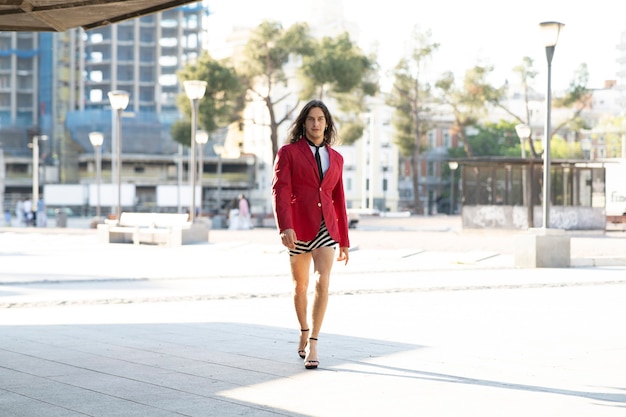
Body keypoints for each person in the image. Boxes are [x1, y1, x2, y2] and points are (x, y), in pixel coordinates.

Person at [271, 99, 350, 369]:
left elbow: (339, 200)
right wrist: (284, 226)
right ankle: (303, 329)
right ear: (303, 123)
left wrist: (345, 241)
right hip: (298, 226)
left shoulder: (337, 158)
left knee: (323, 282)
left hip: (326, 227)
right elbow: (279, 190)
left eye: (320, 119)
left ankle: (314, 341)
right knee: (300, 286)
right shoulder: (288, 152)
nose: (316, 123)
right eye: (311, 119)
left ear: (327, 124)